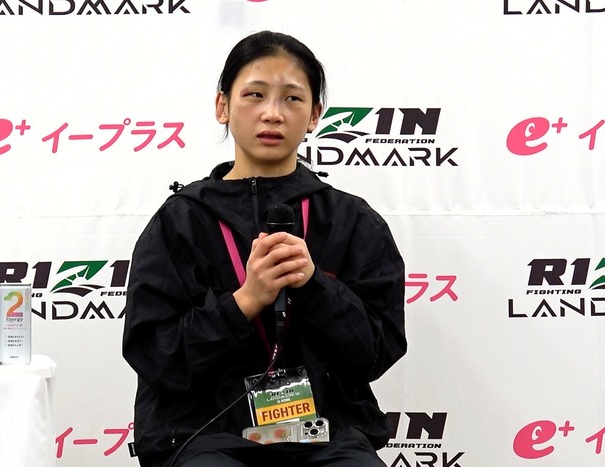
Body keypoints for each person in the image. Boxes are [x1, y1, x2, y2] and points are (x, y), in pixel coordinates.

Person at [122, 30, 406, 467]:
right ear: (222, 106)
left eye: (292, 98)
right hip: (205, 436)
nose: (272, 113)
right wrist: (244, 301)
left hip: (327, 436)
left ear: (314, 115)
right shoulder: (180, 221)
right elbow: (155, 354)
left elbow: (377, 352)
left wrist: (315, 286)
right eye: (255, 95)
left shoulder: (351, 220)